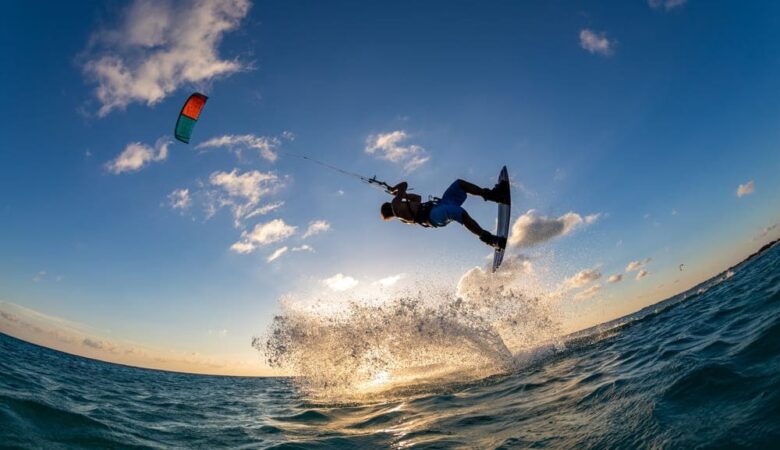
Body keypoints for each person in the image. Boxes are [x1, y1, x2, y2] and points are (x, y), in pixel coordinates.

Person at [380, 178, 509, 248]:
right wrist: (394, 190)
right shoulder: (396, 206)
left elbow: (417, 198)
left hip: (439, 206)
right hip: (434, 215)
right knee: (460, 213)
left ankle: (494, 195)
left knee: (459, 184)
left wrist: (402, 195)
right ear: (389, 205)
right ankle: (491, 240)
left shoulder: (400, 210)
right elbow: (404, 184)